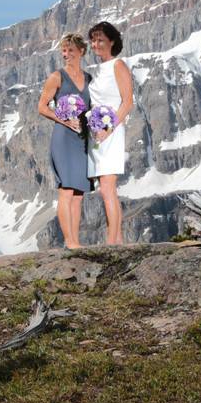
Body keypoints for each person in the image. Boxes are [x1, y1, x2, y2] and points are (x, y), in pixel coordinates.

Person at [37, 34, 94, 249]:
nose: (66, 54)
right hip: (63, 137)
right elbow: (42, 106)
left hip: (82, 138)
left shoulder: (89, 78)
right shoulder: (56, 77)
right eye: (63, 51)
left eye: (70, 50)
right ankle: (69, 242)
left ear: (81, 51)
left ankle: (75, 241)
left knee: (78, 193)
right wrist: (63, 118)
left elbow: (92, 107)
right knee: (67, 190)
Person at [87, 21, 133, 245]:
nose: (96, 44)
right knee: (104, 188)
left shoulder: (118, 65)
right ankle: (117, 239)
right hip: (97, 133)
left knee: (108, 188)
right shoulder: (99, 69)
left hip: (111, 132)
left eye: (100, 40)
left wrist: (109, 128)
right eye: (93, 40)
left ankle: (113, 241)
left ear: (112, 42)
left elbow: (127, 102)